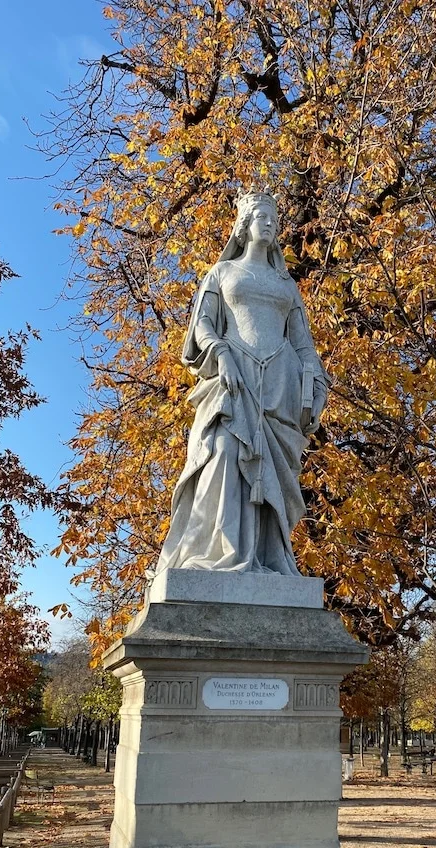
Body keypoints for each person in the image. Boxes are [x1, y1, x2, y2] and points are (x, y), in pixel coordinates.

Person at [153, 188, 329, 577]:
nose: (268, 224)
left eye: (273, 219)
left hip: (279, 388)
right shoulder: (223, 273)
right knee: (221, 457)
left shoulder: (286, 285)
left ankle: (266, 558)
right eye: (260, 217)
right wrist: (221, 353)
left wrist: (316, 389)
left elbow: (303, 345)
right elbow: (202, 324)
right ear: (245, 226)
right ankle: (218, 553)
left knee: (269, 478)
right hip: (232, 380)